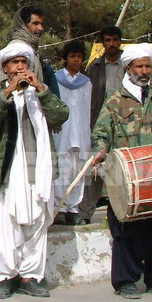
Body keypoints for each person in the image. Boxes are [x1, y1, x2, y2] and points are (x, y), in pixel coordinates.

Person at [92, 43, 152, 299]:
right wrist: (100, 152)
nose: (145, 70)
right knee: (125, 230)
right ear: (128, 68)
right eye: (140, 66)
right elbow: (101, 133)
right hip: (125, 177)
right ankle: (125, 281)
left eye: (148, 66)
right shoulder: (115, 98)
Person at [0, 42, 68, 299]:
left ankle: (30, 276)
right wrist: (8, 93)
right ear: (4, 68)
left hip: (38, 169)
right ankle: (5, 277)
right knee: (9, 224)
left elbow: (61, 116)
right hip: (10, 171)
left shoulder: (39, 94)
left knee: (38, 223)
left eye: (23, 62)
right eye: (14, 63)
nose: (20, 67)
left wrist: (41, 89)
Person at [80, 24, 124, 222]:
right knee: (95, 170)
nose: (112, 44)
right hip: (100, 123)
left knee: (123, 171)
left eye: (115, 40)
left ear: (120, 41)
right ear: (103, 43)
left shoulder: (129, 65)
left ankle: (124, 213)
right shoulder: (95, 67)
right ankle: (84, 214)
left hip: (125, 125)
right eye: (108, 40)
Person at [53, 41, 92, 226]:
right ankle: (59, 208)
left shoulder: (86, 83)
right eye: (72, 56)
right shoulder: (55, 79)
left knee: (77, 169)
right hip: (62, 132)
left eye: (79, 56)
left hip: (80, 131)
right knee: (61, 168)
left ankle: (73, 209)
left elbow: (86, 110)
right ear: (66, 58)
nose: (76, 60)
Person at [6, 5, 60, 96]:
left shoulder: (32, 49)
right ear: (23, 25)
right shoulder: (15, 49)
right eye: (35, 23)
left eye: (42, 24)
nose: (40, 28)